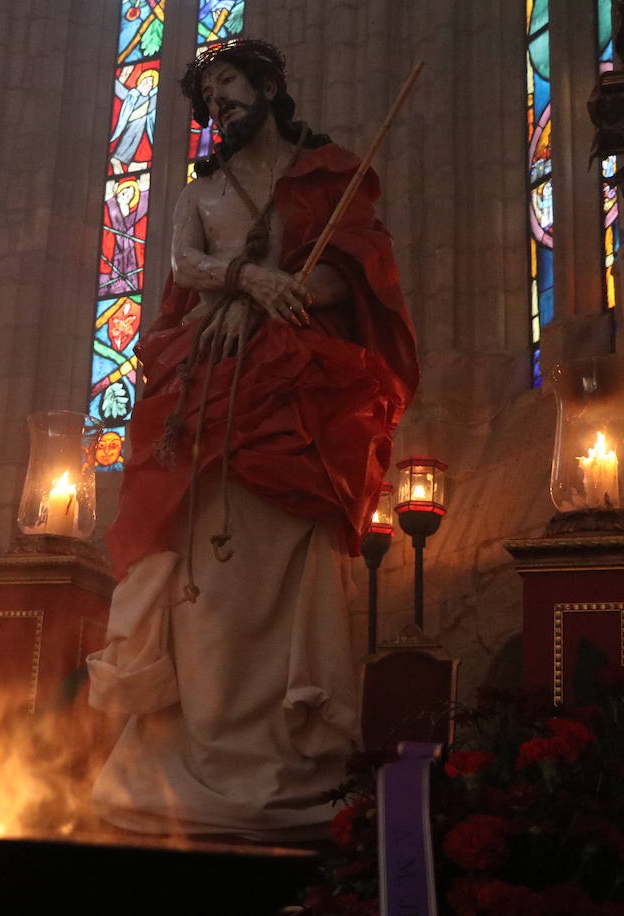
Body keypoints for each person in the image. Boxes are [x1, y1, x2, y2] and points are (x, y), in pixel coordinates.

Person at [86, 39, 419, 841]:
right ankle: (188, 750)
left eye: (229, 90)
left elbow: (361, 262)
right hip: (208, 379)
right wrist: (247, 279)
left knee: (289, 565)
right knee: (200, 576)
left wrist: (308, 285)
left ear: (269, 86)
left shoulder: (328, 173)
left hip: (294, 390)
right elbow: (182, 263)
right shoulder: (201, 191)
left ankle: (288, 751)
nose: (220, 109)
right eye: (210, 102)